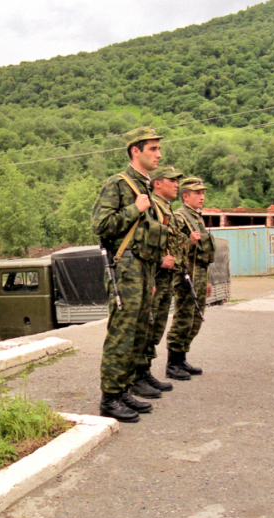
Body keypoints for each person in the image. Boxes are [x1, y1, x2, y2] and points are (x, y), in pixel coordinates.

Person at [91, 126, 168, 423]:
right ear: (135, 150)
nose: (158, 154)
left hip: (144, 268)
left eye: (159, 149)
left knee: (138, 331)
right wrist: (133, 210)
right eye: (152, 149)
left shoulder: (145, 185)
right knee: (122, 332)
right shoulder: (119, 184)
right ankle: (109, 397)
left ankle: (123, 388)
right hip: (125, 268)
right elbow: (100, 225)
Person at [142, 166, 189, 392]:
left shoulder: (166, 208)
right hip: (155, 275)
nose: (177, 184)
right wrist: (158, 259)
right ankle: (137, 375)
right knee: (147, 326)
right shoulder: (151, 207)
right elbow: (142, 239)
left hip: (167, 278)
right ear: (158, 183)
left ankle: (145, 371)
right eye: (172, 180)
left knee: (157, 326)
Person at [166, 176, 214, 379]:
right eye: (197, 193)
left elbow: (204, 255)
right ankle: (173, 363)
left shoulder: (197, 217)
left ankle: (182, 358)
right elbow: (172, 246)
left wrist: (208, 279)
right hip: (186, 273)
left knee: (195, 318)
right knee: (184, 316)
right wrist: (189, 241)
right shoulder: (179, 217)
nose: (201, 197)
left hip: (200, 273)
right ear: (185, 196)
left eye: (203, 193)